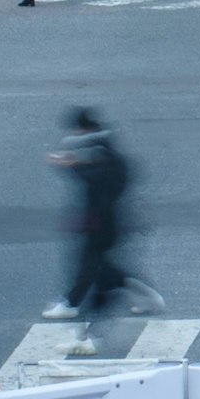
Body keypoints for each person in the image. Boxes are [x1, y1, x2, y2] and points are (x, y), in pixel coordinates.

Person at [48, 110, 144, 324]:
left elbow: (97, 181)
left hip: (102, 219)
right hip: (105, 217)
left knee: (89, 263)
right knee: (99, 265)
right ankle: (143, 293)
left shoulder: (100, 150)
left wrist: (72, 166)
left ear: (86, 129)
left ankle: (72, 305)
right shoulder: (101, 148)